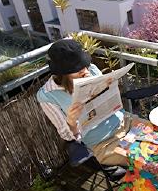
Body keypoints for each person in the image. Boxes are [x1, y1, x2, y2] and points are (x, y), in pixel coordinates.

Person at [37, 39, 131, 167]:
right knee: (148, 160)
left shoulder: (91, 70)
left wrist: (111, 89)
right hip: (103, 143)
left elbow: (110, 100)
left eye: (84, 65)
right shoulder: (47, 95)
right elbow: (67, 135)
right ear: (62, 74)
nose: (85, 70)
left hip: (125, 122)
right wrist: (71, 122)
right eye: (77, 69)